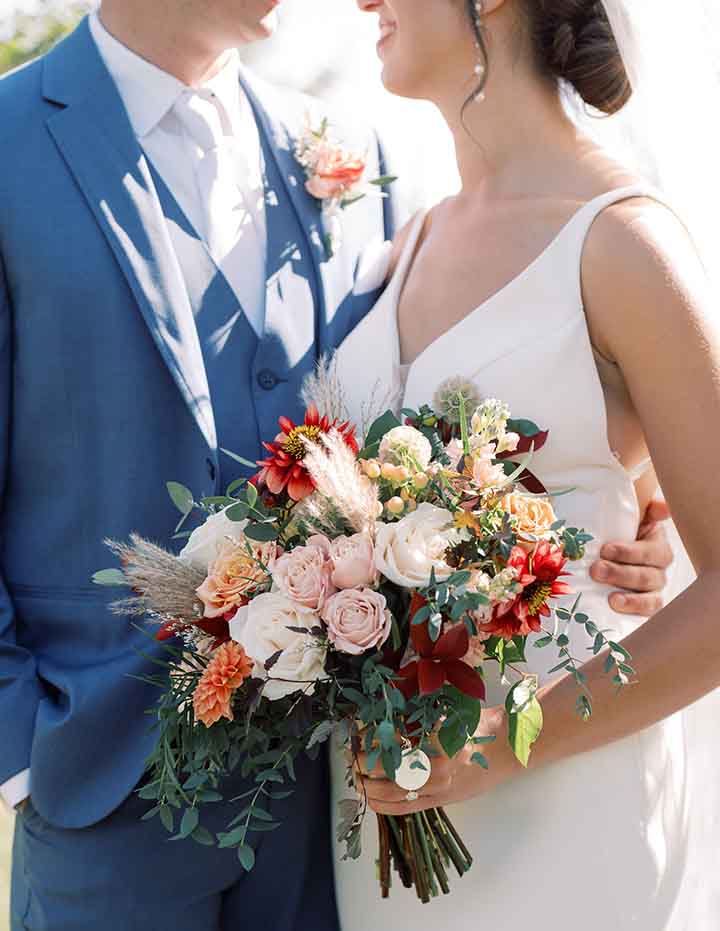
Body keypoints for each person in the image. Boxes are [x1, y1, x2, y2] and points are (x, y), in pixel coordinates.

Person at [0, 0, 672, 928]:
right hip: (99, 793)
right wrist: (21, 755)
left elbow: (499, 385)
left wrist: (634, 494)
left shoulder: (358, 163)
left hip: (339, 809)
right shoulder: (11, 143)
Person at [330, 0, 720, 928]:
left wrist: (503, 741)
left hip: (566, 815)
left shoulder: (623, 243)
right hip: (382, 824)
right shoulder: (409, 239)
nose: (364, 1)